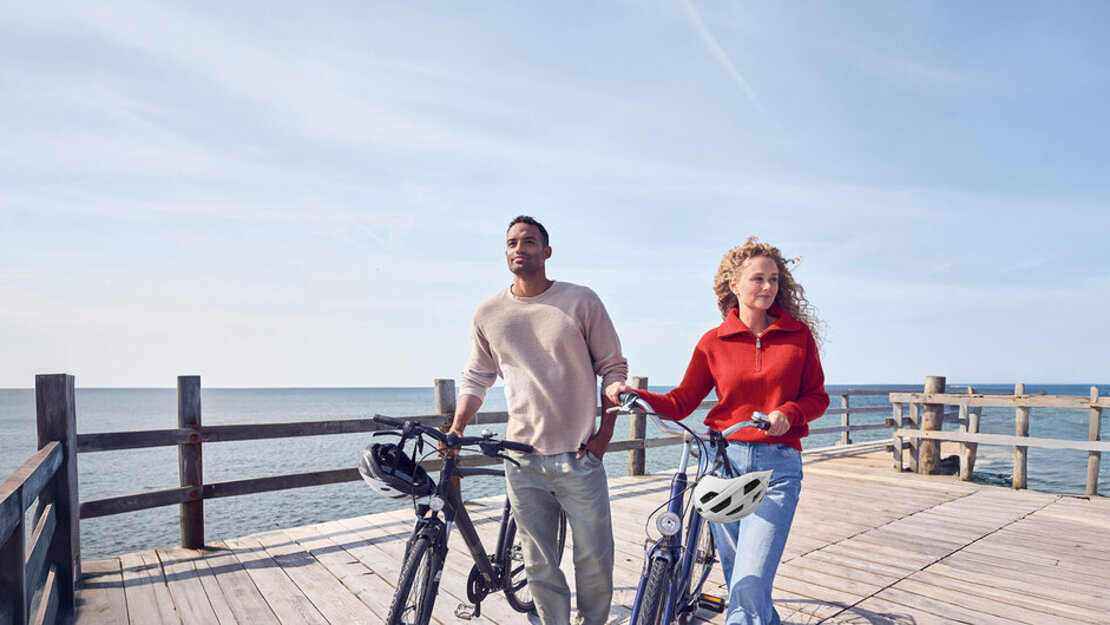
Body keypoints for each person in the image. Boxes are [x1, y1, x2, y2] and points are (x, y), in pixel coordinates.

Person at [607, 237, 828, 625]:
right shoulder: (713, 342)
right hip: (721, 466)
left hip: (776, 469)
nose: (767, 287)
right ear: (734, 285)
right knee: (742, 582)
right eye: (757, 279)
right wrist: (635, 395)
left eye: (774, 279)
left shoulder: (798, 337)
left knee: (750, 581)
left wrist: (788, 414)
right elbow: (680, 402)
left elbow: (817, 397)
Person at [448, 215, 628, 625]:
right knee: (538, 563)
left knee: (595, 558)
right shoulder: (489, 312)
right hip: (521, 459)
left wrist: (605, 434)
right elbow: (477, 375)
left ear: (546, 252)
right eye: (512, 242)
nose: (519, 248)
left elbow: (613, 367)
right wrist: (457, 426)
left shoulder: (581, 301)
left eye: (529, 241)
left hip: (579, 455)